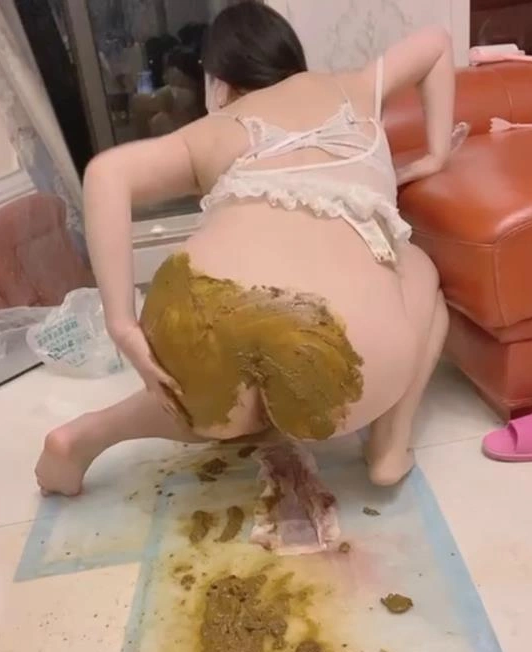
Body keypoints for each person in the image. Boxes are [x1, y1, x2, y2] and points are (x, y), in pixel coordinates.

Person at [35, 2, 454, 497]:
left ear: (218, 84)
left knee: (222, 390)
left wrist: (123, 325)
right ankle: (389, 447)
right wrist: (436, 154)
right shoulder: (356, 85)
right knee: (419, 267)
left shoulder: (210, 131)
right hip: (344, 353)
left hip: (200, 310)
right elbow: (437, 43)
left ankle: (85, 436)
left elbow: (105, 173)